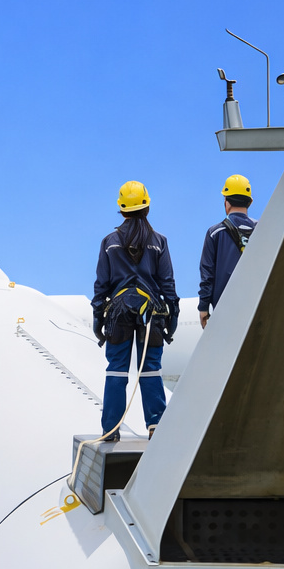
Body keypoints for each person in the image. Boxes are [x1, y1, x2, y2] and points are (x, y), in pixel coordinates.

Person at [92, 181, 177, 440]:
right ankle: (156, 425)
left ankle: (110, 429)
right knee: (150, 367)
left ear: (121, 209)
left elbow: (101, 284)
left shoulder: (109, 242)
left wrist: (97, 318)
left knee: (117, 369)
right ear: (147, 206)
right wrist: (172, 316)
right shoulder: (159, 242)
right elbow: (167, 283)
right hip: (151, 313)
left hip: (118, 314)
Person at [198, 174, 258, 328]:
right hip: (256, 304)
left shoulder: (215, 233)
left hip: (224, 310)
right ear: (250, 202)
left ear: (226, 201)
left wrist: (203, 307)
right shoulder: (261, 229)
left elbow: (207, 274)